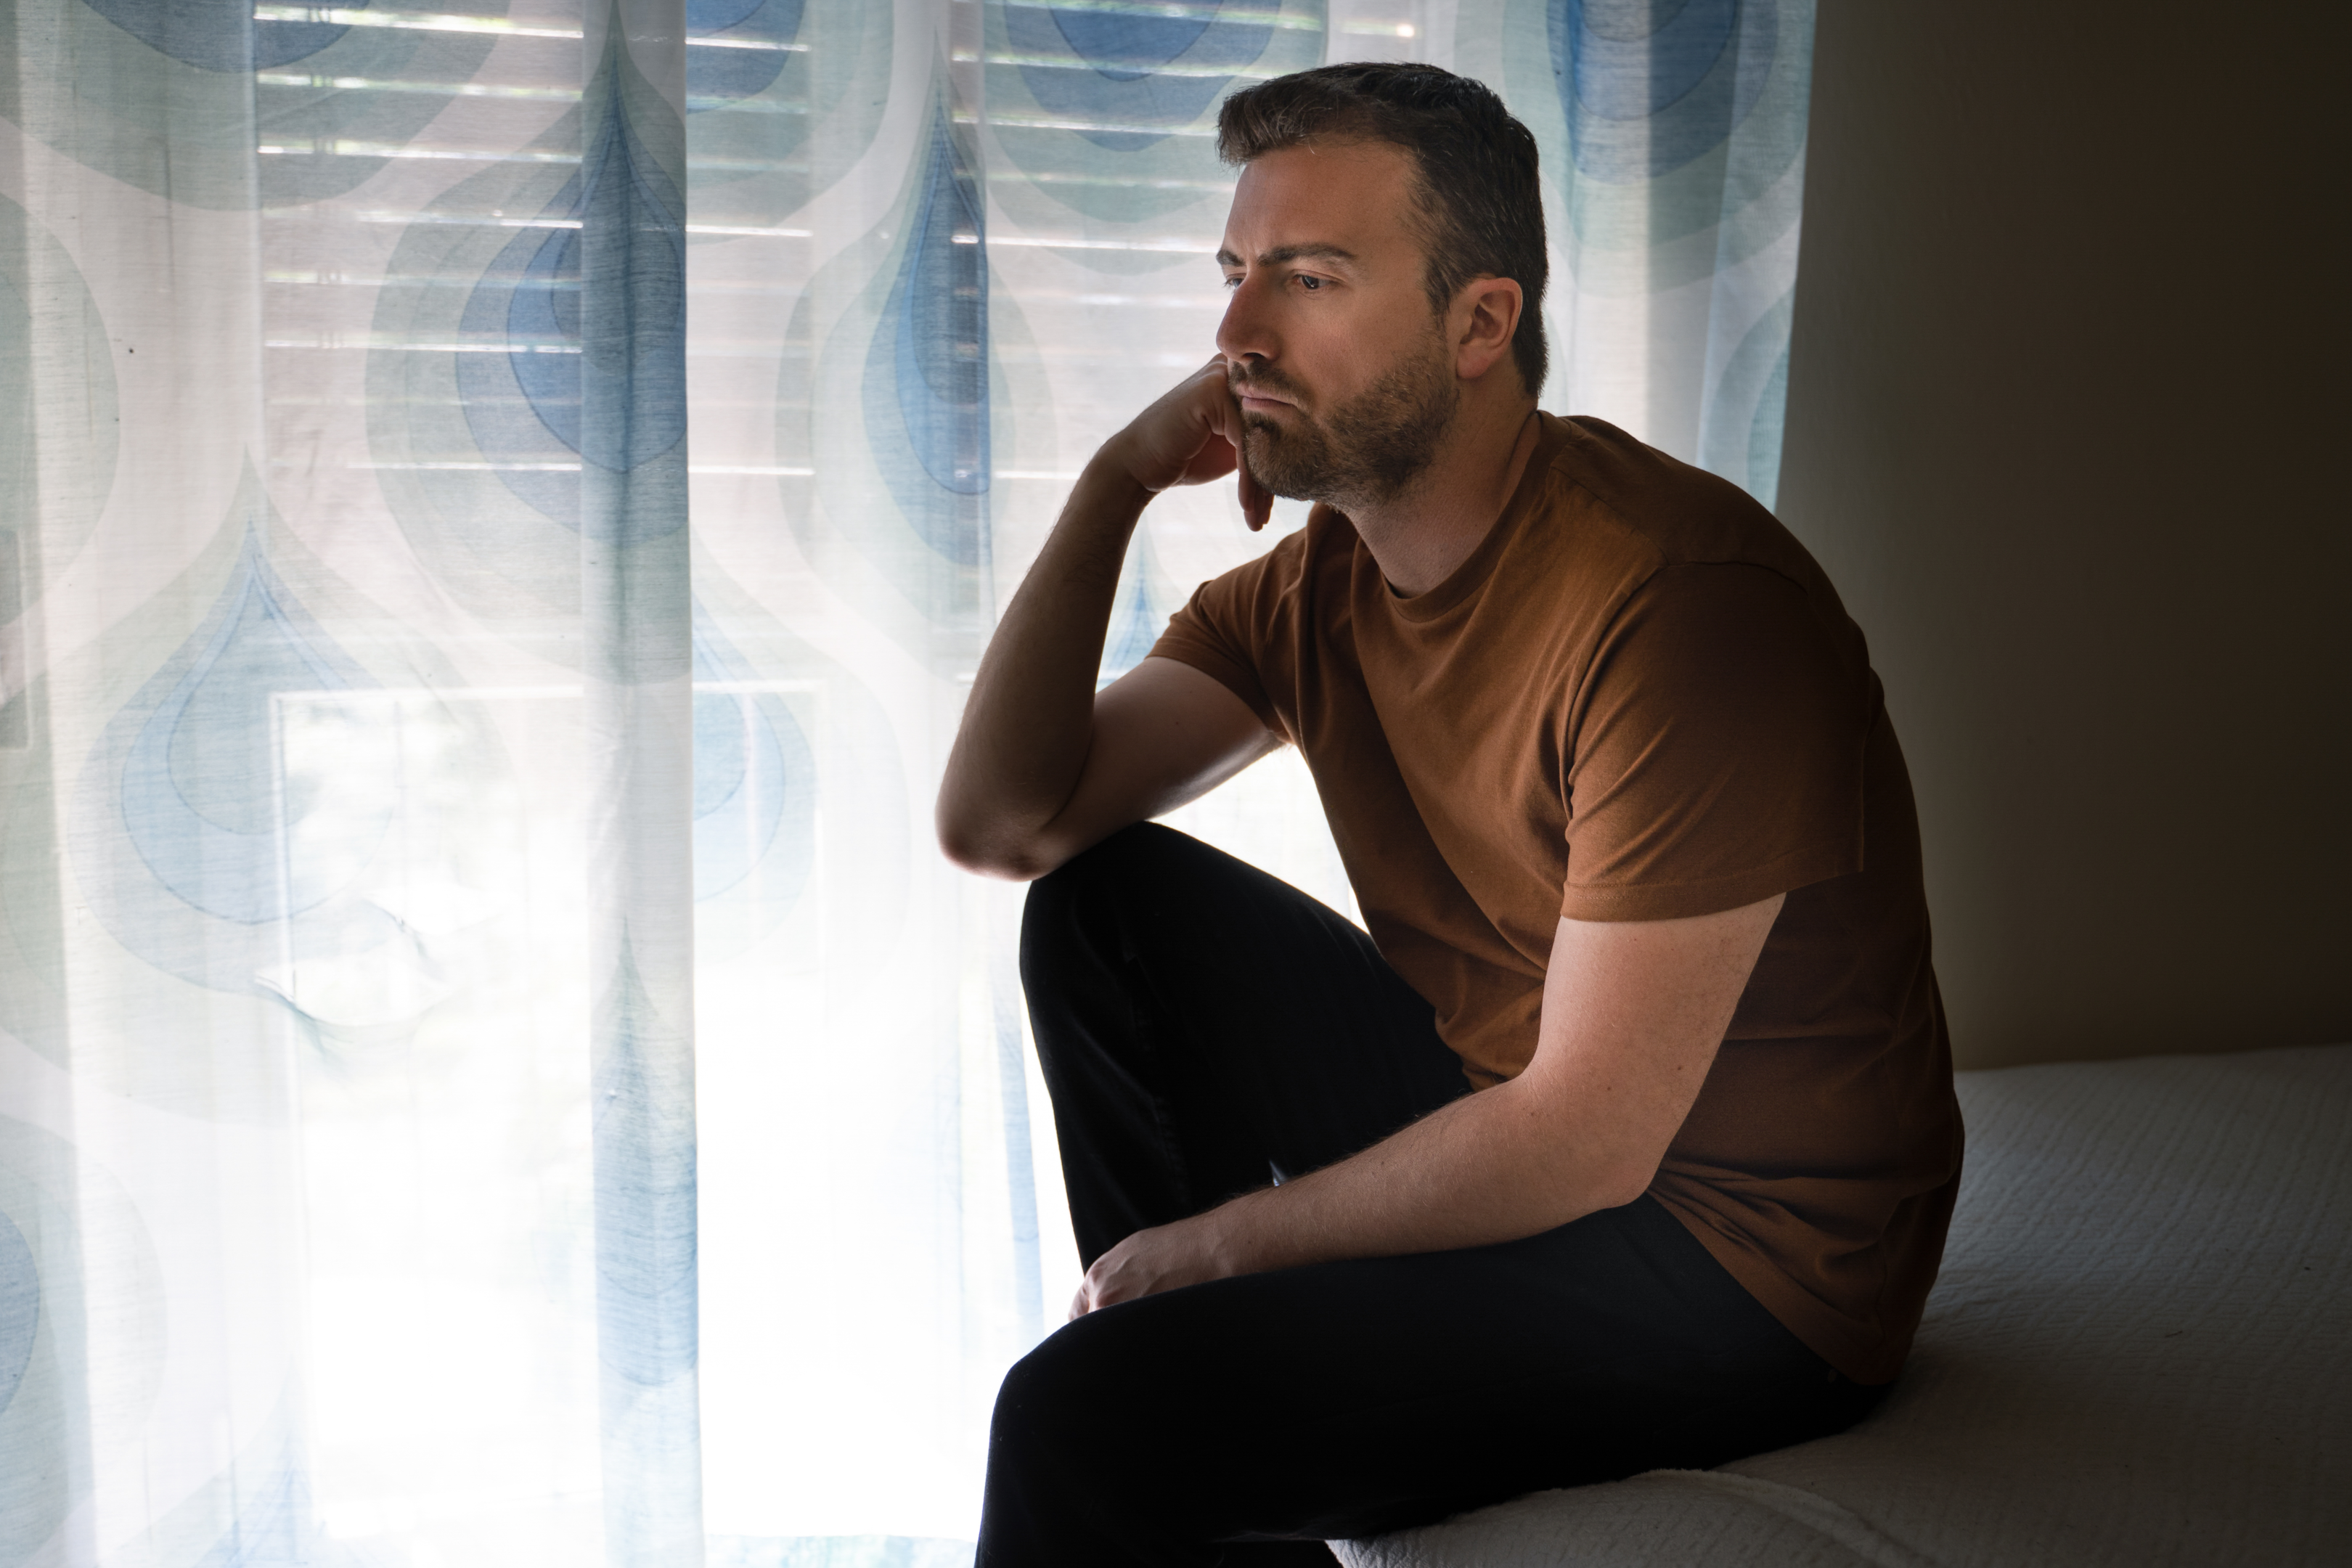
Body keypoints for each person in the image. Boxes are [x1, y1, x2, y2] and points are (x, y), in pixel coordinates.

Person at [934, 62, 1964, 1567]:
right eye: (1235, 276)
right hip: (1524, 1110)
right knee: (1102, 904)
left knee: (1072, 1417)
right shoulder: (1318, 589)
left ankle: (1174, 1406)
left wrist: (1217, 1255)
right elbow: (1005, 823)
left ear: (1481, 323)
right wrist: (1112, 485)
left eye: (1309, 279)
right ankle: (1208, 1442)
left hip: (1743, 1261)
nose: (1235, 337)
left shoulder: (1687, 615)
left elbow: (1591, 1142)